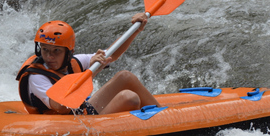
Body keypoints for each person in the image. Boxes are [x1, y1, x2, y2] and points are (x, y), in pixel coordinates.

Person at [16, 13, 161, 115]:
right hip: (67, 127)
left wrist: (136, 29)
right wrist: (92, 72)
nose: (49, 56)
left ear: (68, 52)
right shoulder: (36, 76)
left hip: (81, 114)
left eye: (56, 51)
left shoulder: (74, 61)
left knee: (125, 77)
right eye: (45, 50)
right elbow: (60, 107)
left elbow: (112, 54)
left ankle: (168, 118)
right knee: (129, 98)